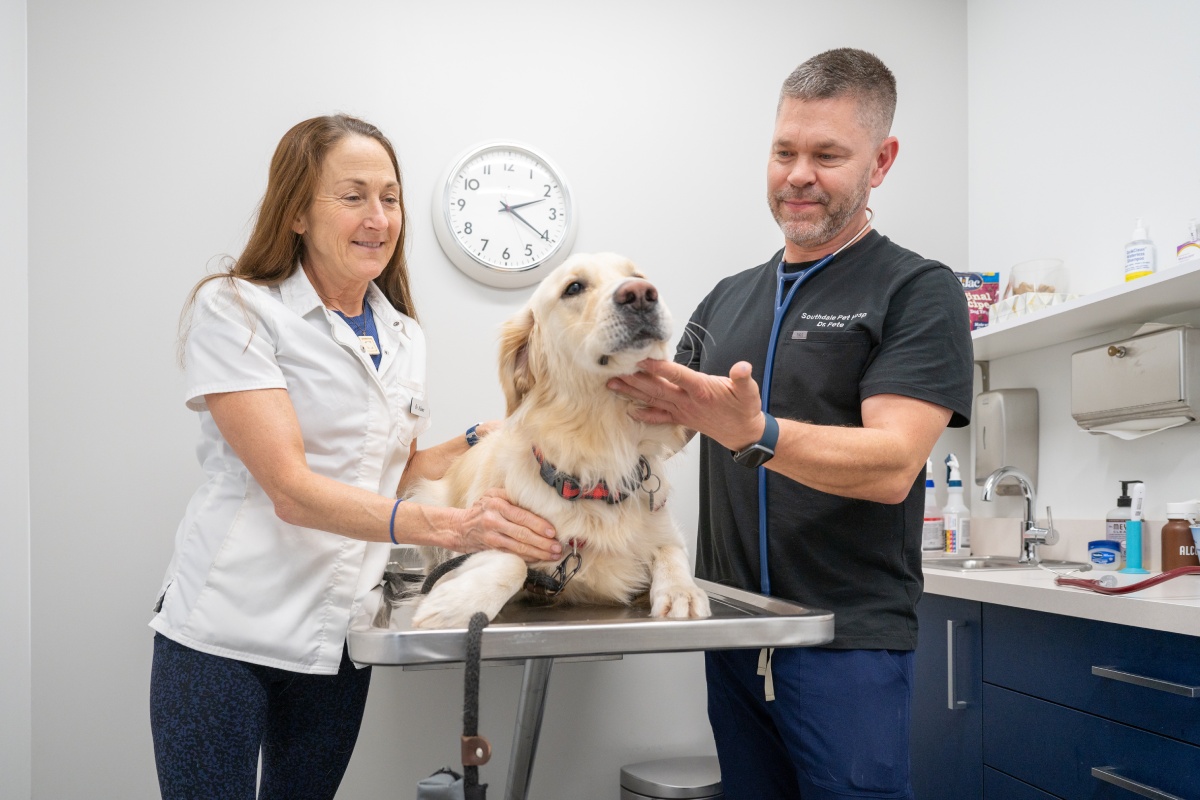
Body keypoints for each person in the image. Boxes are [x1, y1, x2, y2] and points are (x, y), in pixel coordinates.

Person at [148, 114, 562, 800]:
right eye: (353, 196)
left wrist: (473, 444)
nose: (379, 218)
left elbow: (384, 470)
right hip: (226, 630)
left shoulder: (403, 334)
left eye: (390, 197)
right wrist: (452, 528)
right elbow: (291, 488)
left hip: (337, 636)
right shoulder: (239, 310)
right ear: (297, 214)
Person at [609, 49, 973, 799]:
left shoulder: (916, 290)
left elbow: (893, 462)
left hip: (846, 644)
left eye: (827, 155)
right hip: (736, 633)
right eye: (784, 152)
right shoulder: (726, 299)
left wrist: (759, 434)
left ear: (883, 159)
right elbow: (658, 427)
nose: (798, 175)